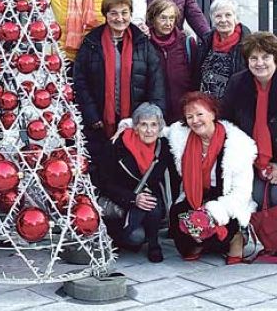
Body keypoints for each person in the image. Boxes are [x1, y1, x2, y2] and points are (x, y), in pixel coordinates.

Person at [73, 0, 166, 182]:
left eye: (124, 12)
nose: (119, 18)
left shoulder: (143, 43)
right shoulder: (91, 42)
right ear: (106, 16)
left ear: (131, 14)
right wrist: (92, 116)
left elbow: (156, 82)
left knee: (127, 169)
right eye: (113, 13)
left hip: (134, 121)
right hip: (99, 120)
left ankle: (129, 203)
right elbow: (80, 81)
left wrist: (145, 118)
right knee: (100, 167)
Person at [167, 92, 255, 264]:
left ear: (213, 114)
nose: (195, 120)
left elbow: (241, 192)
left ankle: (235, 237)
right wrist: (127, 125)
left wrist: (213, 213)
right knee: (180, 223)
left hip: (226, 197)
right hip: (196, 193)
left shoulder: (238, 145)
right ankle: (202, 241)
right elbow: (154, 127)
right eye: (190, 116)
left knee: (214, 227)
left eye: (200, 114)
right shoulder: (181, 135)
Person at [104, 103, 173, 263]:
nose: (149, 130)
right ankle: (120, 237)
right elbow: (104, 183)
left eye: (154, 125)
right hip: (121, 202)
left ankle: (154, 244)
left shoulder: (163, 147)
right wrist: (134, 198)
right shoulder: (116, 145)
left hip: (150, 201)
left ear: (160, 127)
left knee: (152, 203)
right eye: (144, 125)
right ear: (135, 127)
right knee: (136, 237)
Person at [222, 32, 277, 220]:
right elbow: (227, 123)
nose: (259, 63)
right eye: (254, 58)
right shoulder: (237, 82)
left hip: (275, 159)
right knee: (258, 197)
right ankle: (268, 244)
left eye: (265, 57)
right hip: (250, 159)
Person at [147, 0, 197, 123]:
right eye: (163, 18)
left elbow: (196, 79)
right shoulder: (144, 45)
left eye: (172, 18)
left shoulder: (186, 43)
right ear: (152, 19)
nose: (168, 23)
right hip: (154, 117)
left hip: (184, 115)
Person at [195, 0, 251, 100]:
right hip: (206, 107)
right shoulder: (206, 42)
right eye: (218, 16)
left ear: (236, 18)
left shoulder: (247, 45)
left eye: (228, 15)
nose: (223, 20)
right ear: (212, 19)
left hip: (234, 108)